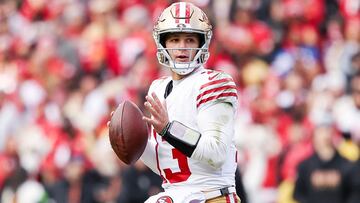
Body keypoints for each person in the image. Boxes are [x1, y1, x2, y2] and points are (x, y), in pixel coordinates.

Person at [140, 2, 240, 203]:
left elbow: (215, 152)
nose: (182, 47)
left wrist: (169, 129)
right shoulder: (158, 88)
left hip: (212, 195)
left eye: (190, 39)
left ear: (202, 43)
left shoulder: (214, 83)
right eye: (175, 39)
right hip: (176, 194)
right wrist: (134, 145)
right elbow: (166, 163)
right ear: (163, 43)